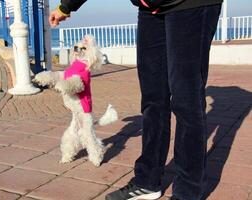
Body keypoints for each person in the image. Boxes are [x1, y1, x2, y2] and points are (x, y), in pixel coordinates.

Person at [49, 0, 223, 199]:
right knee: (152, 99)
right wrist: (67, 6)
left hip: (189, 5)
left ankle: (188, 190)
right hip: (150, 7)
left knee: (186, 101)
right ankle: (147, 181)